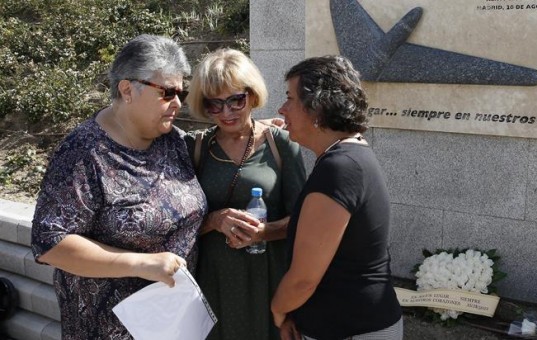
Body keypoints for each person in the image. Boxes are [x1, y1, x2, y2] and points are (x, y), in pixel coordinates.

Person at [30, 34, 207, 339]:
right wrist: (141, 264)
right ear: (127, 90)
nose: (178, 103)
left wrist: (256, 129)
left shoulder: (171, 139)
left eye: (181, 91)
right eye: (167, 93)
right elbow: (50, 242)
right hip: (109, 329)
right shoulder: (84, 151)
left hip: (173, 324)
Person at [271, 55, 403, 340]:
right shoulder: (346, 157)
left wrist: (278, 309)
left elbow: (303, 280)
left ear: (317, 108)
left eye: (290, 98)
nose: (282, 109)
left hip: (353, 330)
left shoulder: (339, 168)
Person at [185, 48, 306, 340]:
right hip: (213, 280)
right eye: (215, 105)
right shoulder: (196, 148)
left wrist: (263, 232)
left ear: (252, 96)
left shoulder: (281, 144)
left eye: (236, 100)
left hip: (267, 276)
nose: (226, 113)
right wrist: (213, 221)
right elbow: (177, 224)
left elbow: (304, 220)